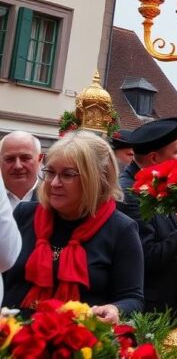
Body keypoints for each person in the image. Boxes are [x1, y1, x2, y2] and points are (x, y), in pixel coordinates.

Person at [3, 132, 142, 323]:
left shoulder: (121, 229)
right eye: (50, 172)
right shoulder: (24, 214)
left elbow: (132, 298)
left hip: (79, 346)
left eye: (67, 175)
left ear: (95, 179)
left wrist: (114, 309)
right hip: (15, 342)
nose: (54, 183)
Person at [117, 117, 177, 318]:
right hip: (153, 312)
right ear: (154, 158)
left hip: (175, 306)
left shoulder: (159, 183)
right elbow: (147, 257)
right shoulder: (129, 193)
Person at [1, 131, 43, 209]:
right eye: (10, 159)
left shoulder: (54, 197)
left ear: (39, 159)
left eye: (25, 158)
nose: (18, 166)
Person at [0, 164, 21, 306]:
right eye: (10, 159)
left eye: (68, 175)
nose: (18, 165)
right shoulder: (26, 212)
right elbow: (6, 256)